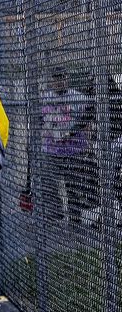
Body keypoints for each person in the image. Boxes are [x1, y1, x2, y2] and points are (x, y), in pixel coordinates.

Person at [40, 66, 95, 221]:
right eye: (56, 78)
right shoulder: (45, 98)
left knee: (73, 184)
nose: (59, 81)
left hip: (74, 148)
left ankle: (74, 216)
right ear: (51, 80)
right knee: (51, 183)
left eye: (62, 78)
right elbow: (41, 122)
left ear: (67, 79)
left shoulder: (78, 97)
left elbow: (87, 122)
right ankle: (55, 213)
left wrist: (88, 144)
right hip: (52, 149)